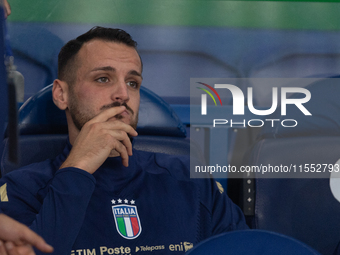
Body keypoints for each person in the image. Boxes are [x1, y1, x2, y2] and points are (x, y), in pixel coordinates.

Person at [0, 27, 248, 254]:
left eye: (133, 83)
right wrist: (78, 168)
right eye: (103, 79)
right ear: (61, 94)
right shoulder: (20, 189)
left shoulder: (190, 179)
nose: (123, 94)